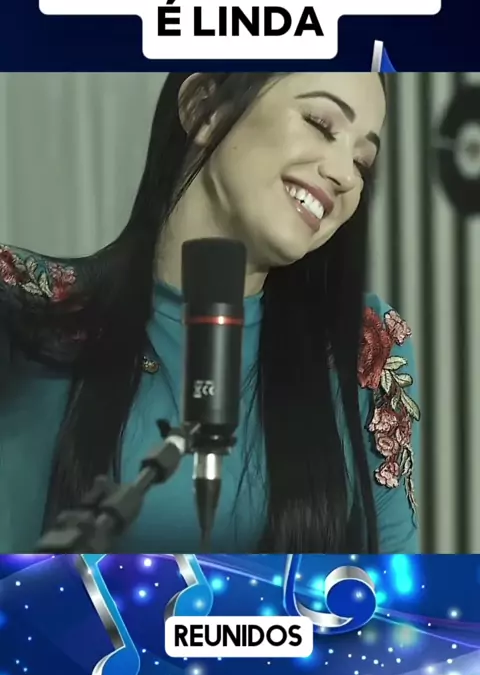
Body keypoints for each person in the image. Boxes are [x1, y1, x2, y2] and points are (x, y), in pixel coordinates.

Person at [0, 71, 421, 554]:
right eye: (320, 123)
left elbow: (394, 590)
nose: (346, 175)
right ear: (204, 107)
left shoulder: (362, 344)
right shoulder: (21, 303)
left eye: (363, 162)